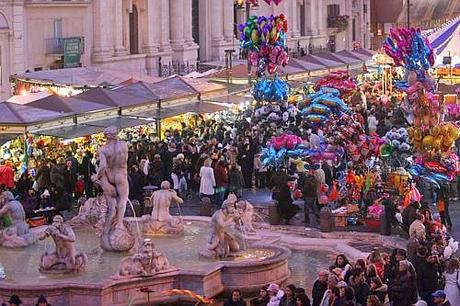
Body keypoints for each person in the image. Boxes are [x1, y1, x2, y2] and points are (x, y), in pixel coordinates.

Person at [91, 126, 129, 232]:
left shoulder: (103, 149)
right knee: (123, 199)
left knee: (111, 202)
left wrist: (96, 176)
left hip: (109, 176)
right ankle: (119, 223)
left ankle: (108, 223)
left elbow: (102, 166)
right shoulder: (124, 145)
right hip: (121, 174)